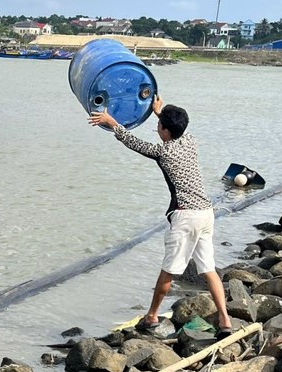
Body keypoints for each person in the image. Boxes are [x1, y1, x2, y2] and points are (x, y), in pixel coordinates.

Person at [89, 95, 233, 337]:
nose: (157, 128)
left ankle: (152, 316)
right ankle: (225, 321)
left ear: (165, 131)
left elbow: (132, 142)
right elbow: (173, 130)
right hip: (206, 213)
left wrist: (112, 122)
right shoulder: (190, 141)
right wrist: (159, 112)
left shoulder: (163, 152)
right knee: (208, 268)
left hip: (186, 217)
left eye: (159, 125)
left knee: (169, 270)